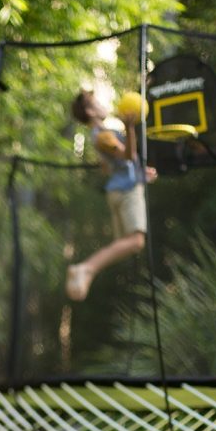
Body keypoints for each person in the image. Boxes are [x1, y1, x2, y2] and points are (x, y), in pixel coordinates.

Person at [66, 89, 158, 301]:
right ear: (90, 111)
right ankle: (86, 268)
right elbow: (128, 156)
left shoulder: (99, 135)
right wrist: (130, 127)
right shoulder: (104, 136)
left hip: (118, 190)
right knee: (136, 242)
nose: (102, 104)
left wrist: (140, 174)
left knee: (125, 244)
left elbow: (111, 167)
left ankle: (86, 274)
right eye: (97, 101)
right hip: (126, 192)